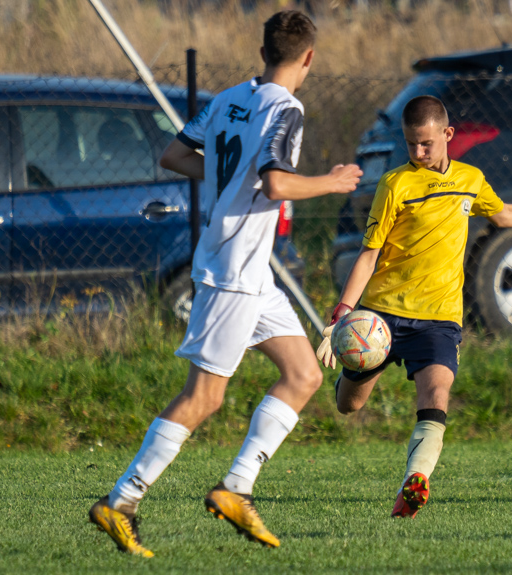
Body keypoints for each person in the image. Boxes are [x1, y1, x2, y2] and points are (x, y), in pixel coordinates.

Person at [89, 10, 363, 557]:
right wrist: (331, 184)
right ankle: (120, 501)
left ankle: (236, 488)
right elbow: (276, 182)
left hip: (250, 271)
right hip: (234, 269)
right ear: (308, 57)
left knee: (304, 373)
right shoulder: (287, 108)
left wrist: (225, 176)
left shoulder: (229, 98)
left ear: (264, 50)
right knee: (203, 397)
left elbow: (174, 154)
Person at [317, 95, 512, 519]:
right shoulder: (396, 184)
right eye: (411, 144)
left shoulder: (470, 179)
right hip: (381, 317)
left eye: (426, 144)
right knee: (350, 404)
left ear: (448, 134)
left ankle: (413, 484)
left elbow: (503, 214)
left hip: (438, 317)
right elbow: (369, 253)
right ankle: (354, 378)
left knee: (436, 393)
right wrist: (342, 315)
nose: (418, 153)